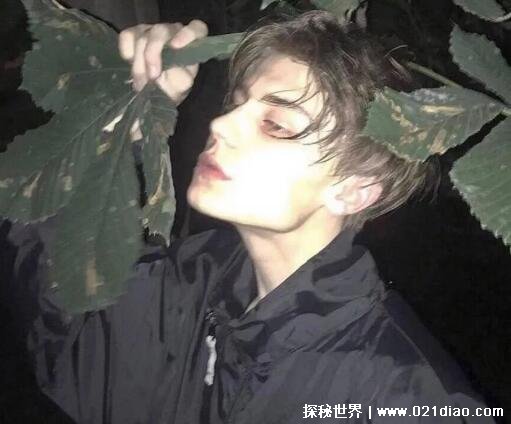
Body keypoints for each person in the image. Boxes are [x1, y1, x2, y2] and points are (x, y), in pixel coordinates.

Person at [8, 10, 498, 424]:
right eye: (237, 103)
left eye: (276, 124)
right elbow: (60, 319)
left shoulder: (401, 396)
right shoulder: (192, 282)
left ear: (355, 190)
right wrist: (126, 123)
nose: (220, 123)